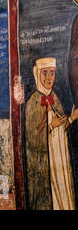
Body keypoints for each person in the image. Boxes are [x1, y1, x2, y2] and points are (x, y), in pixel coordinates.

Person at [24, 57, 77, 210]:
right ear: (37, 74)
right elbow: (32, 137)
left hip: (59, 161)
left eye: (52, 73)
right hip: (43, 165)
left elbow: (60, 127)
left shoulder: (54, 97)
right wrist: (50, 126)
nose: (49, 78)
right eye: (45, 73)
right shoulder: (33, 101)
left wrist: (71, 119)